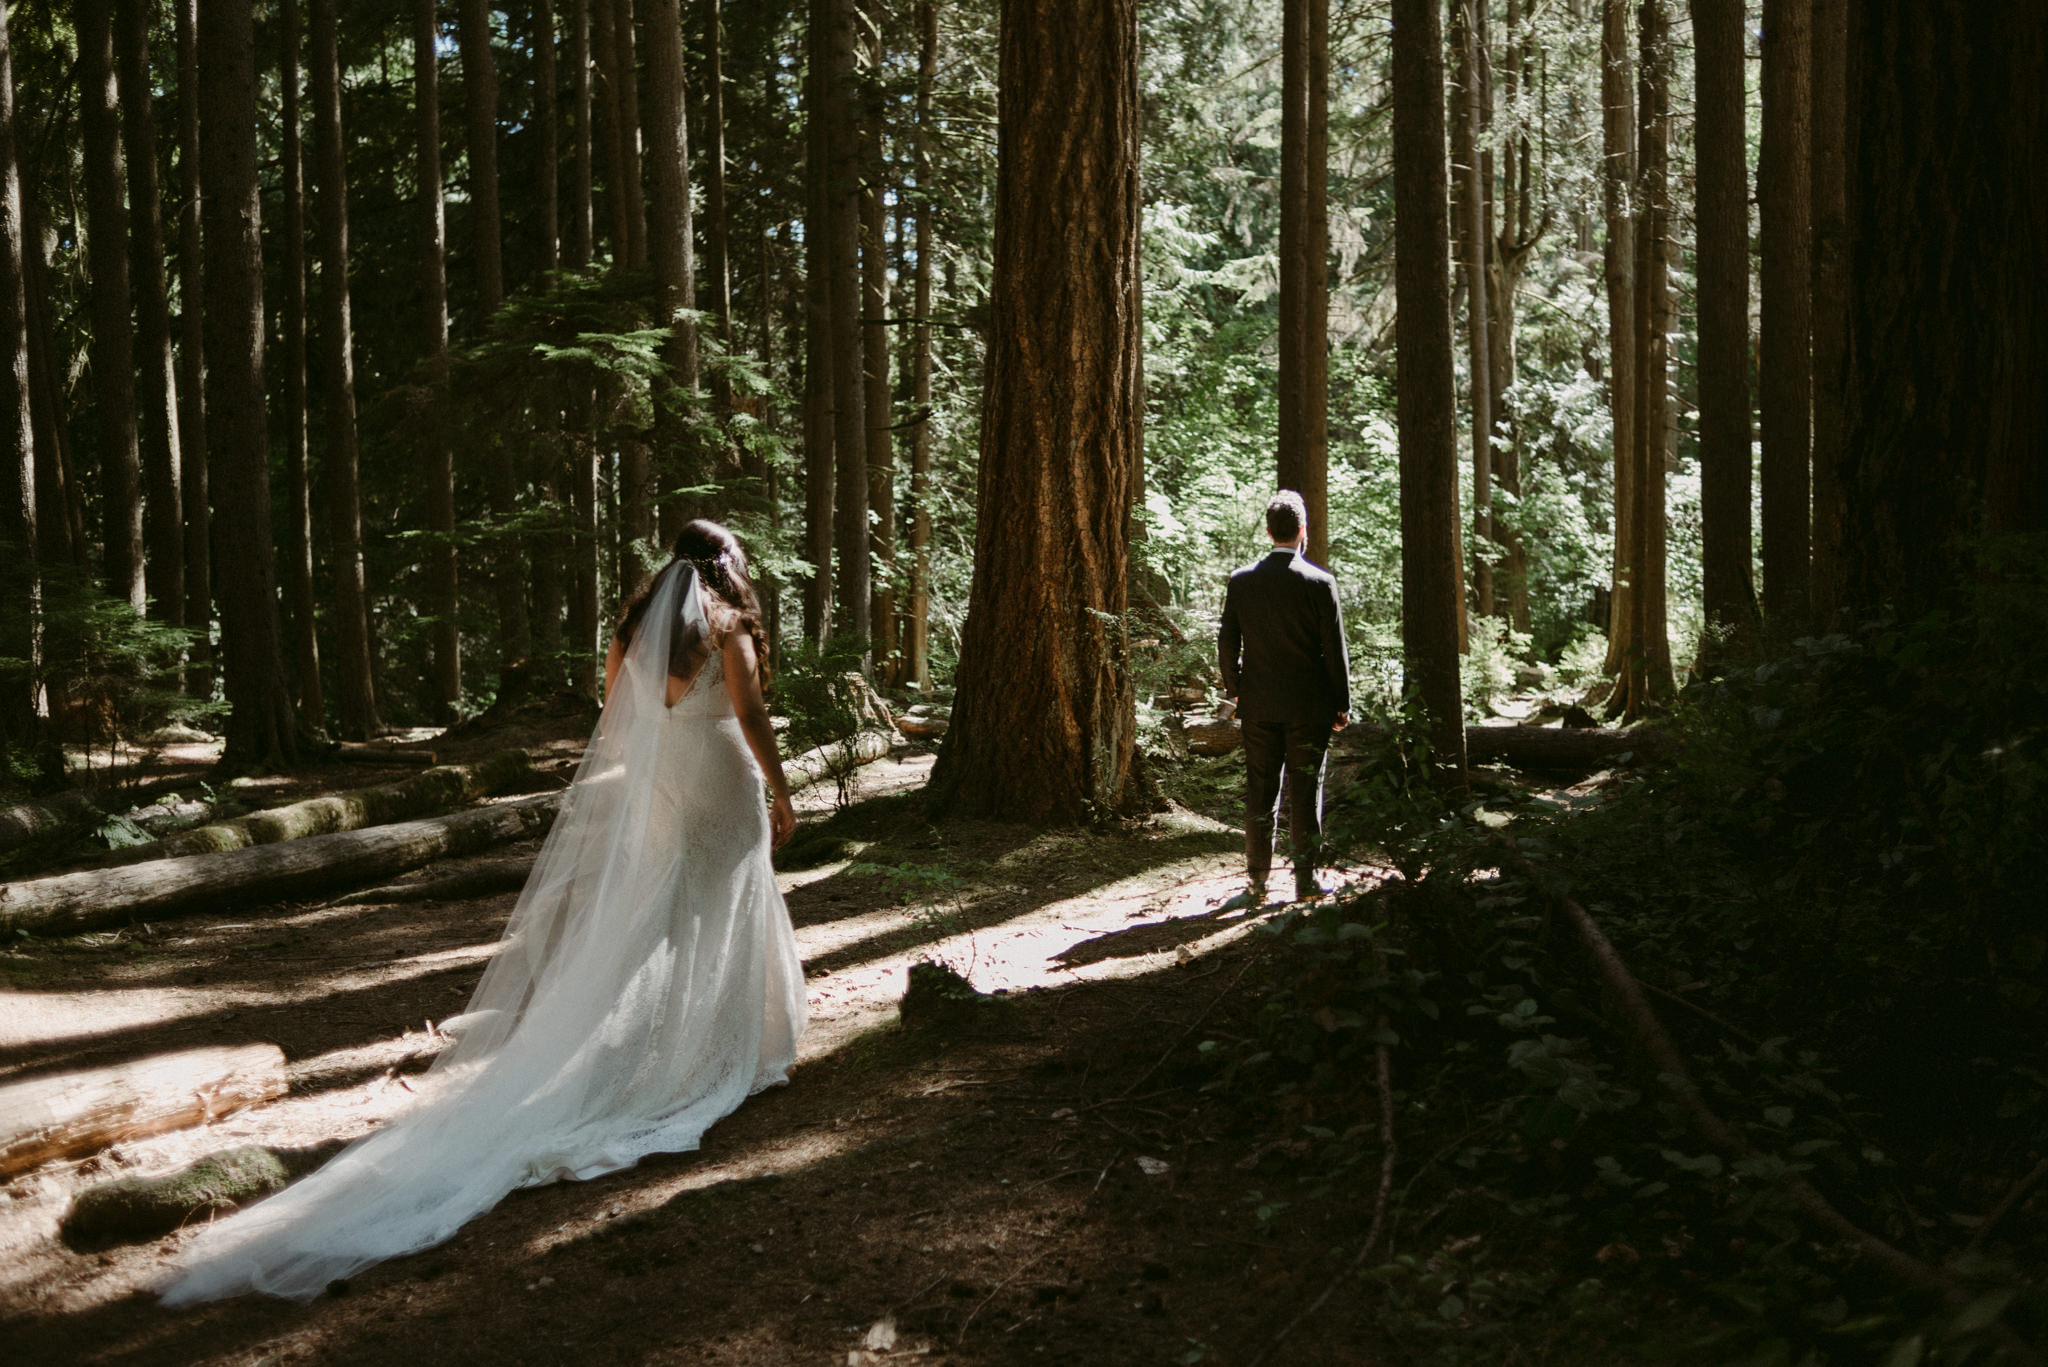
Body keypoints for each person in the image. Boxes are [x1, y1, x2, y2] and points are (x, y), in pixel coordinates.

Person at [159, 520, 808, 1304]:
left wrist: (652, 780)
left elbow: (613, 719)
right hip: (719, 774)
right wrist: (780, 786)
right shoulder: (729, 626)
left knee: (664, 911)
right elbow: (752, 716)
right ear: (727, 564)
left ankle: (664, 1042)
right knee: (724, 897)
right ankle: (726, 1043)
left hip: (667, 780)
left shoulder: (637, 627)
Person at [1217, 491, 1351, 903]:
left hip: (1258, 705)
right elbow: (1335, 649)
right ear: (1302, 531)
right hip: (1310, 707)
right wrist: (1342, 703)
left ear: (1270, 530)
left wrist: (1237, 688)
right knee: (1306, 793)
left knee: (1260, 791)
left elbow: (1227, 640)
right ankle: (1306, 884)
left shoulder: (1242, 582)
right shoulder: (1320, 583)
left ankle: (1256, 884)